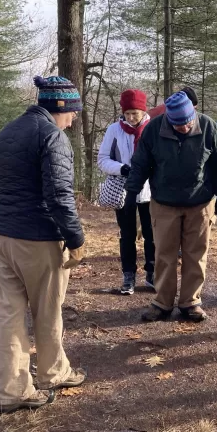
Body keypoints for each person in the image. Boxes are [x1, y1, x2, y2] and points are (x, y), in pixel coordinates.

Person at [0, 76, 87, 414]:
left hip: (1, 236)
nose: (74, 119)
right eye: (73, 112)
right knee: (47, 310)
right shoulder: (52, 136)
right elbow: (59, 197)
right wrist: (75, 238)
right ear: (60, 107)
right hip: (38, 239)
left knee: (11, 314)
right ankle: (52, 373)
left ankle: (13, 391)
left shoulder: (8, 131)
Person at [126, 91, 217, 322]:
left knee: (196, 254)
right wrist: (131, 192)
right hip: (164, 203)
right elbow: (140, 164)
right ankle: (162, 302)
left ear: (193, 113)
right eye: (178, 125)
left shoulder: (209, 127)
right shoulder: (153, 130)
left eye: (187, 123)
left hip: (201, 202)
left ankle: (190, 301)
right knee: (164, 254)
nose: (184, 128)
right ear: (168, 120)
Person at [98, 89, 154, 295]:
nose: (130, 118)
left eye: (135, 113)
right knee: (127, 235)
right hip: (124, 191)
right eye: (127, 113)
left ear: (143, 111)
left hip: (150, 191)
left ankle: (152, 272)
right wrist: (122, 168)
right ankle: (128, 275)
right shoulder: (114, 130)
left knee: (152, 234)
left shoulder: (153, 128)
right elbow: (102, 159)